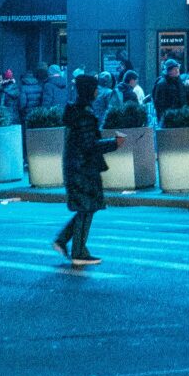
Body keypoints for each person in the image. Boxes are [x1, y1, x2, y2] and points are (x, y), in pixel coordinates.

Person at [55, 72, 116, 267]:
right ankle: (79, 252)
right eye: (95, 88)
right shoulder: (85, 115)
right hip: (83, 169)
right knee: (87, 208)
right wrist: (114, 143)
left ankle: (63, 240)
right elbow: (90, 145)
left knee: (86, 208)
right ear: (89, 91)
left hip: (77, 167)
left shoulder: (77, 112)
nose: (98, 91)